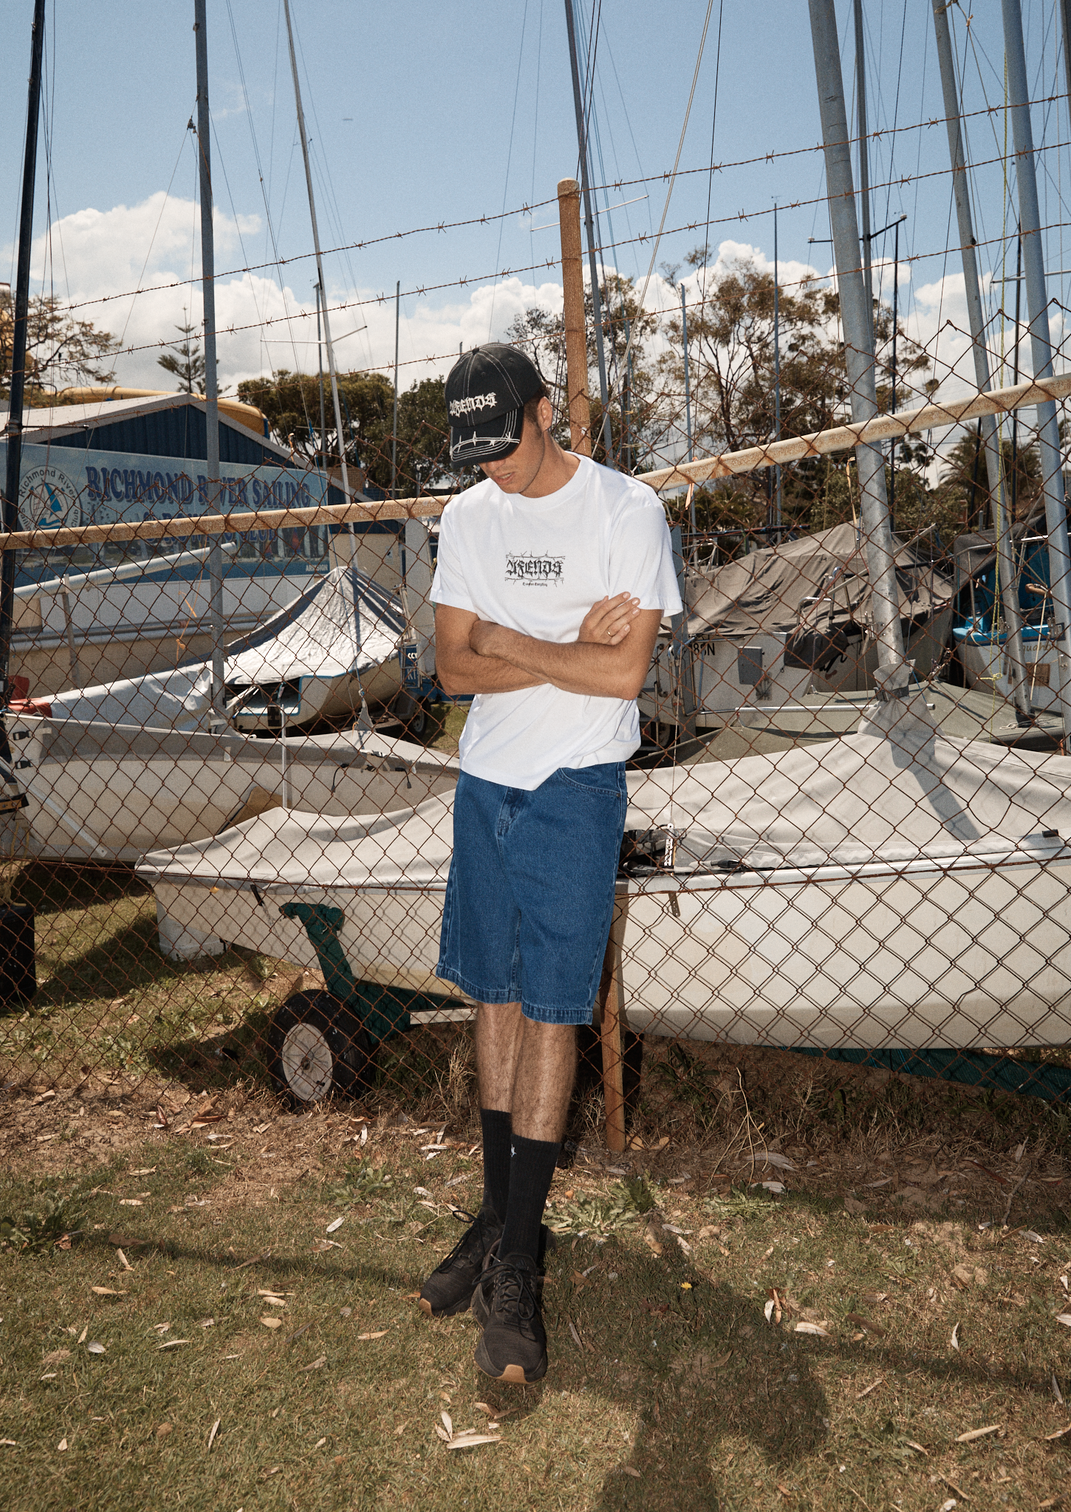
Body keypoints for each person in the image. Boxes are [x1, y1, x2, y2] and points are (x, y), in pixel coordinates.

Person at [417, 342, 681, 1384]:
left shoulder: (627, 511)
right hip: (486, 786)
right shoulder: (471, 516)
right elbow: (448, 666)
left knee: (555, 1012)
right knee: (492, 999)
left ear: (546, 413)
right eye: (476, 455)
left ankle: (520, 1257)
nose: (496, 472)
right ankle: (496, 1217)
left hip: (576, 790)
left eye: (507, 448)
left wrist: (512, 642)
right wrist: (557, 639)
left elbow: (622, 671)